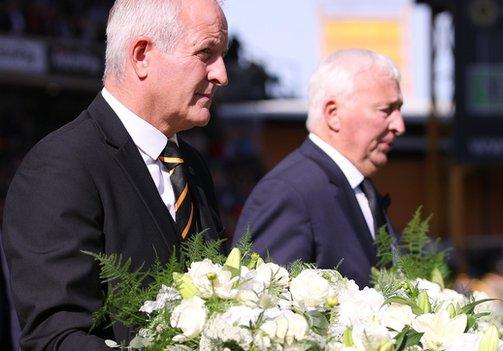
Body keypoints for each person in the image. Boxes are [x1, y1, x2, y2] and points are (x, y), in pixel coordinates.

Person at [1, 0, 228, 349]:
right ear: (141, 55)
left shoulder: (192, 165)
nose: (221, 74)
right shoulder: (60, 167)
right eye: (205, 53)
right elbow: (56, 338)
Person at [233, 49, 405, 288]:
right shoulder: (289, 192)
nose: (399, 125)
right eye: (386, 110)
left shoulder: (361, 187)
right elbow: (263, 308)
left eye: (399, 110)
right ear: (333, 114)